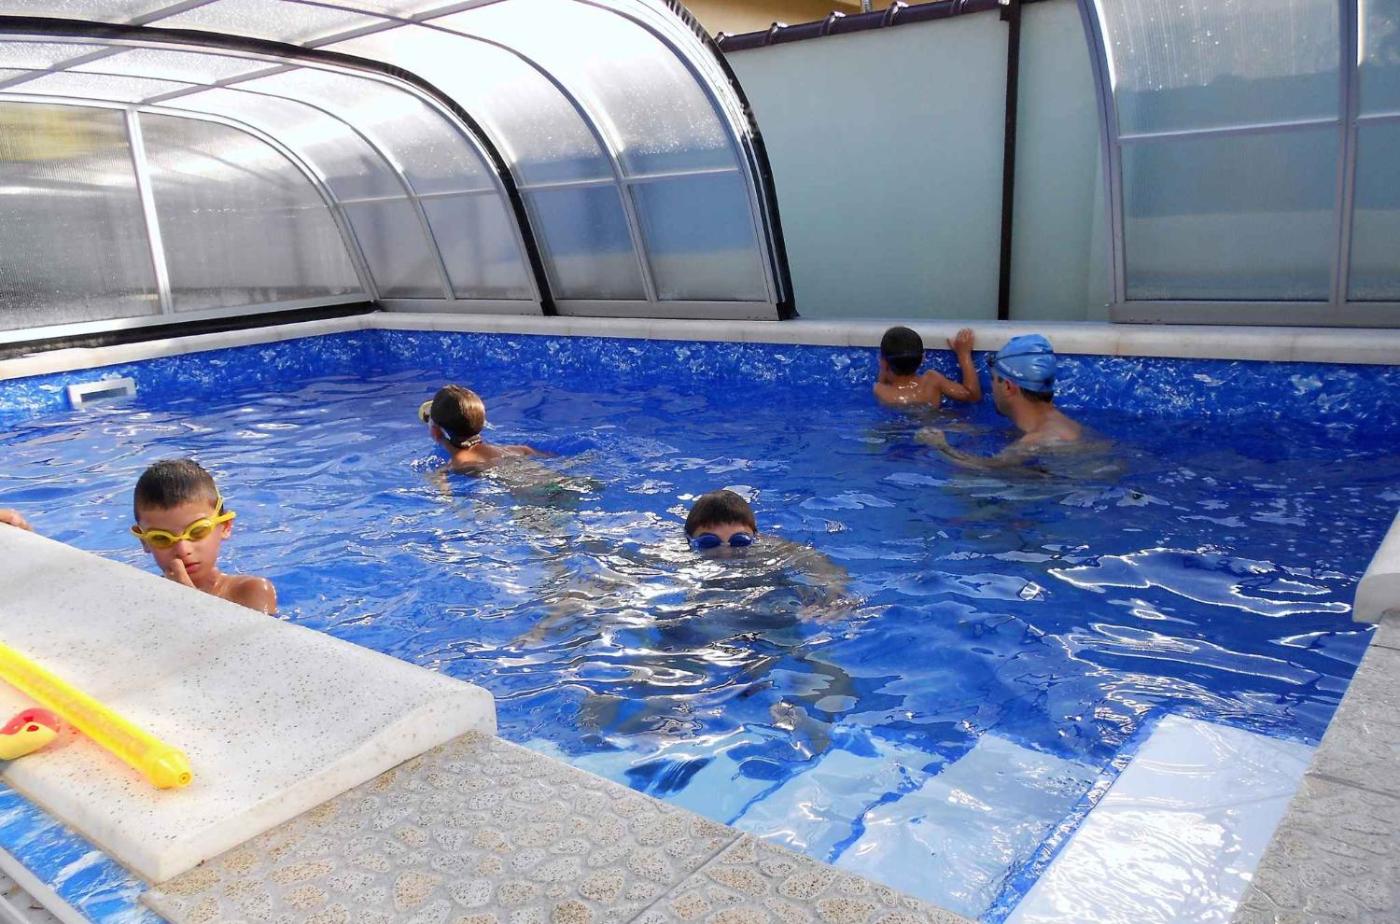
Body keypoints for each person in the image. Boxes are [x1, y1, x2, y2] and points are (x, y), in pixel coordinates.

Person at [130, 458, 277, 614]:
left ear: (225, 526)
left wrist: (189, 599)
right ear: (144, 542)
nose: (183, 550)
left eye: (197, 531)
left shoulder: (250, 591)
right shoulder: (142, 598)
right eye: (161, 538)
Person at [918, 333, 1083, 466]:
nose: (992, 387)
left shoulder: (1038, 441)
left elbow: (987, 468)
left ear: (1008, 387)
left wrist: (940, 446)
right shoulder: (1062, 425)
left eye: (993, 379)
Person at [420, 385, 540, 473]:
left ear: (435, 431)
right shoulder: (519, 450)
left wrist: (440, 439)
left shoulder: (457, 465)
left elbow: (444, 495)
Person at [874, 326, 982, 408]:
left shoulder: (880, 390)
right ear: (923, 358)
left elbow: (884, 379)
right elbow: (972, 395)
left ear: (883, 362)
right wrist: (964, 354)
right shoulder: (931, 381)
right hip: (934, 426)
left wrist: (884, 366)